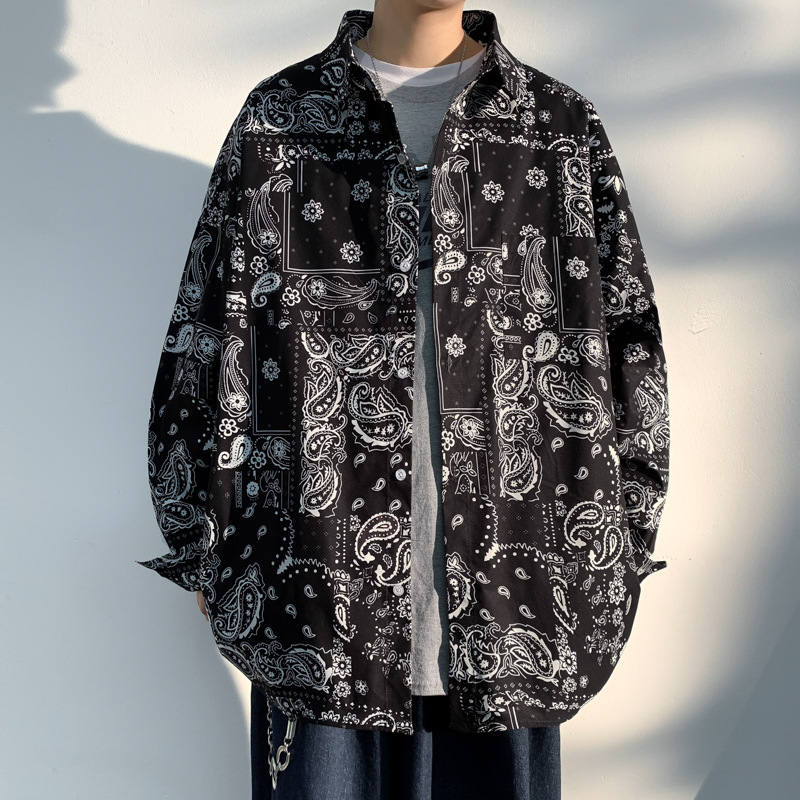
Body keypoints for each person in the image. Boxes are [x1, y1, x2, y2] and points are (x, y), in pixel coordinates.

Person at [138, 2, 670, 798]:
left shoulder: (556, 127)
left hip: (516, 606)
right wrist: (205, 544)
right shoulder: (280, 120)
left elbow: (630, 347)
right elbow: (206, 336)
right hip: (315, 602)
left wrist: (619, 545)